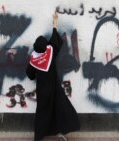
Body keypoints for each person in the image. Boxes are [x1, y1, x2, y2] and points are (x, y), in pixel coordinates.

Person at [26, 13, 80, 141]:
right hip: (54, 89)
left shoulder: (34, 59)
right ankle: (61, 132)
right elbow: (55, 39)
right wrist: (55, 23)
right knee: (60, 110)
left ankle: (39, 136)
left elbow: (30, 75)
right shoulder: (50, 52)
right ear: (45, 46)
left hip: (42, 91)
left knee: (42, 113)